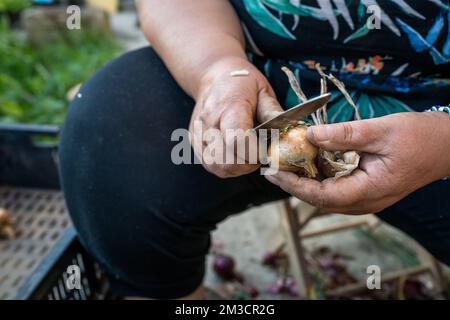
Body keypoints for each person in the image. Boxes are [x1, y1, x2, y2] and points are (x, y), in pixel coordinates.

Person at [58, 0, 450, 299]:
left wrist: (442, 143)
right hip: (265, 78)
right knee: (114, 138)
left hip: (437, 114)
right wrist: (217, 68)